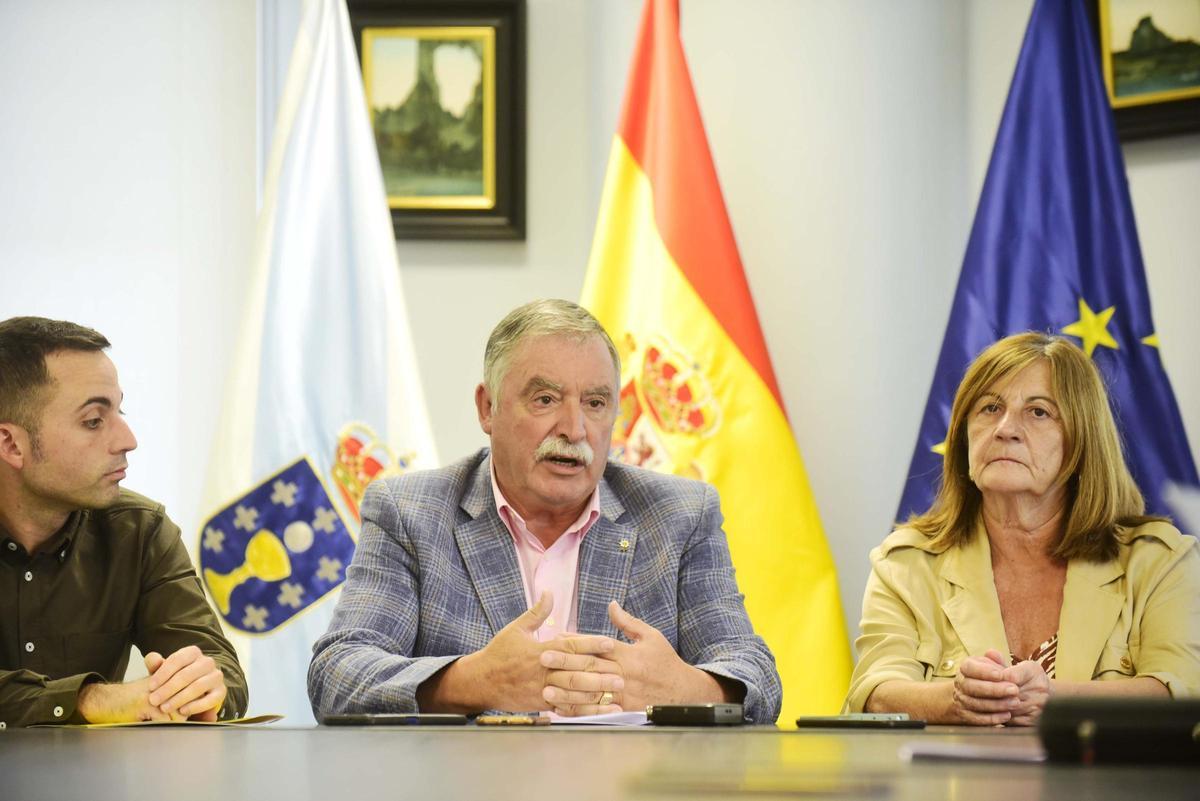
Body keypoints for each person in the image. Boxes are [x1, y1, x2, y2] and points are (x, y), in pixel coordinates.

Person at [308, 299, 781, 723]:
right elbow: (337, 674)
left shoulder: (679, 514)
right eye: (545, 400)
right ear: (487, 408)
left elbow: (757, 675)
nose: (574, 429)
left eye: (595, 403)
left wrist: (684, 689)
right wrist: (473, 681)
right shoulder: (411, 513)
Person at [847, 332, 1200, 725]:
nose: (1005, 429)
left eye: (1038, 412)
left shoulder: (1159, 562)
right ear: (964, 437)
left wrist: (1055, 700)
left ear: (1082, 440)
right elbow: (873, 693)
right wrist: (954, 700)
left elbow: (1182, 694)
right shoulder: (907, 564)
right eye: (989, 408)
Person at [0, 317, 246, 727]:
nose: (127, 439)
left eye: (120, 410)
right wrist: (86, 700)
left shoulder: (140, 531)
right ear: (11, 443)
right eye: (94, 421)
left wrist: (202, 687)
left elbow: (220, 670)